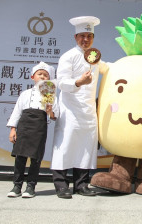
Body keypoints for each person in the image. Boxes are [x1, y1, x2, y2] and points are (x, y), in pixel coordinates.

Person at [50, 16, 101, 199]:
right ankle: (61, 185)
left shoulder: (95, 57)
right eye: (82, 36)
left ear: (93, 38)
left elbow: (107, 69)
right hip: (70, 109)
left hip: (88, 111)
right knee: (65, 145)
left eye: (89, 36)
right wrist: (79, 82)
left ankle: (81, 185)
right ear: (75, 37)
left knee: (86, 147)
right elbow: (62, 82)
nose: (85, 39)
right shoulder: (68, 56)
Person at [6, 62, 58, 198]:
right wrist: (13, 129)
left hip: (39, 126)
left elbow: (54, 116)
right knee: (20, 157)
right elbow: (17, 111)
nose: (42, 77)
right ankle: (17, 186)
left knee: (36, 158)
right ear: (32, 77)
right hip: (24, 125)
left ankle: (31, 187)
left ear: (49, 79)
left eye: (46, 75)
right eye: (39, 74)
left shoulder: (50, 94)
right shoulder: (25, 93)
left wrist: (50, 111)